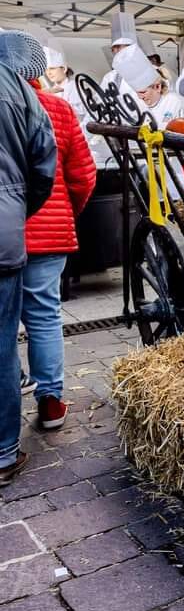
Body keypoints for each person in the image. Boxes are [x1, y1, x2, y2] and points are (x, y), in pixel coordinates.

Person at [0, 31, 58, 487]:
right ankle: (2, 451)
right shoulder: (20, 91)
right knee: (4, 343)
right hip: (4, 233)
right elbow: (46, 163)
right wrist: (17, 209)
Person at [115, 45, 184, 128]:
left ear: (157, 87)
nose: (140, 97)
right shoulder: (139, 105)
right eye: (137, 93)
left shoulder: (178, 104)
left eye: (143, 92)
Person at [101, 12, 147, 112]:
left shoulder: (149, 71)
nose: (116, 51)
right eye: (114, 48)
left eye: (119, 47)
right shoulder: (110, 76)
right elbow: (101, 99)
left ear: (131, 48)